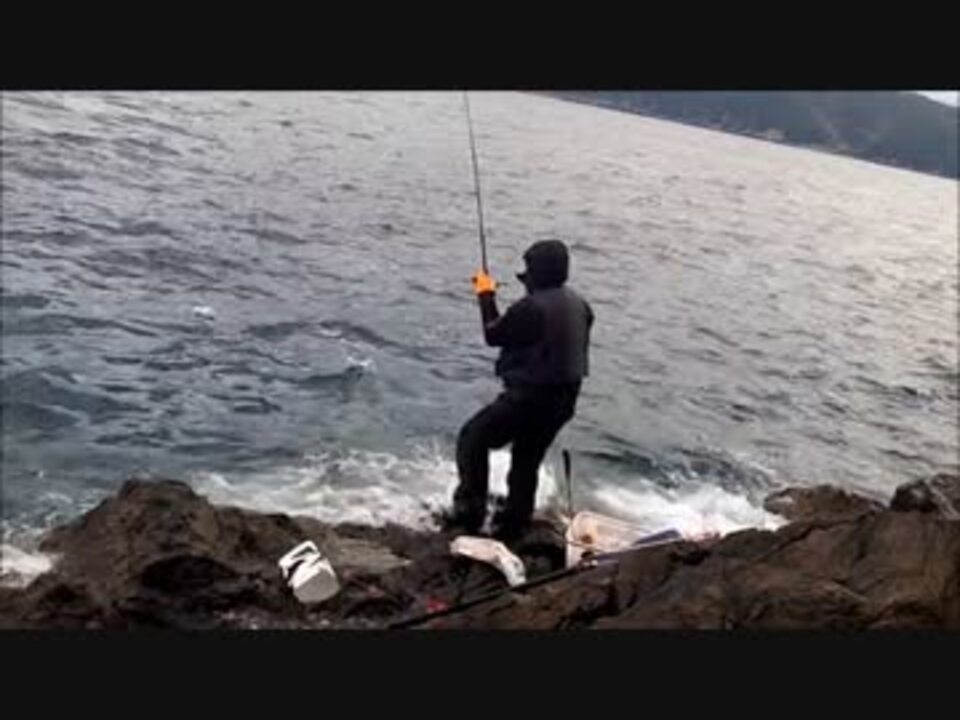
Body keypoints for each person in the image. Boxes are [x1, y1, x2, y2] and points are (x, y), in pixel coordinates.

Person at [444, 239, 594, 540]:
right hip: (563, 402)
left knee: (473, 438)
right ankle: (514, 523)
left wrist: (485, 293)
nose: (526, 281)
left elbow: (493, 334)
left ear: (537, 273)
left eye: (528, 273)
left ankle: (469, 515)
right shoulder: (582, 306)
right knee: (527, 458)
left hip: (530, 398)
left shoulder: (531, 307)